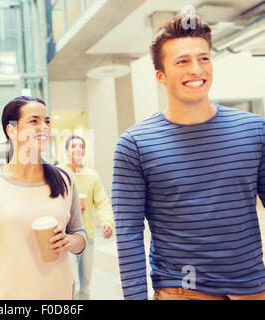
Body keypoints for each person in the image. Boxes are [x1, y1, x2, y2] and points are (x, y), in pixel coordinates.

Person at [112, 14, 265, 300]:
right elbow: (129, 235)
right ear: (160, 75)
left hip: (254, 289)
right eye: (182, 61)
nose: (196, 69)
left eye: (204, 58)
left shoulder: (254, 129)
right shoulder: (135, 144)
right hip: (183, 291)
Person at [0, 96, 87, 300]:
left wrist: (69, 241)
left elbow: (80, 234)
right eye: (34, 121)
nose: (44, 127)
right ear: (11, 130)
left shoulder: (65, 180)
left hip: (58, 295)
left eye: (47, 121)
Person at [57, 135, 114, 300]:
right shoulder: (58, 174)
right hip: (65, 236)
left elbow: (102, 202)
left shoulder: (92, 176)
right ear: (66, 151)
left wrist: (107, 222)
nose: (78, 150)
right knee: (70, 283)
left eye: (81, 147)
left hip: (87, 236)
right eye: (73, 147)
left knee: (86, 285)